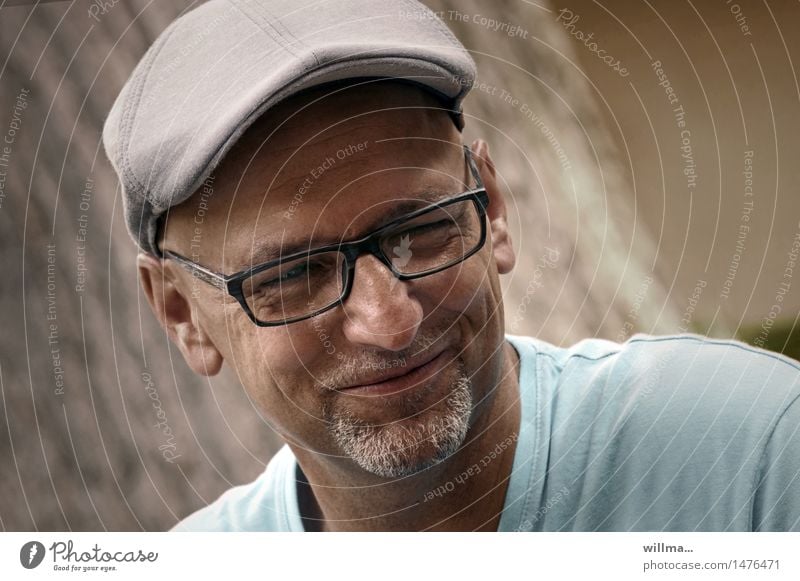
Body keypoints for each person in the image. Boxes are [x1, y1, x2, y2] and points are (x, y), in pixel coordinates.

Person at [102, 0, 800, 532]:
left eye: (422, 229)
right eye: (292, 275)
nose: (390, 321)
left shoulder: (756, 460)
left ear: (492, 209)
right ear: (182, 313)